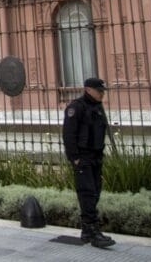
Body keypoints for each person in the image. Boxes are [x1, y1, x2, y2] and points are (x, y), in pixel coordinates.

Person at [62, 77, 115, 248]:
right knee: (87, 193)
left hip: (96, 156)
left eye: (103, 91)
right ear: (88, 89)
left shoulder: (97, 107)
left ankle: (87, 231)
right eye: (99, 91)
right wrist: (75, 158)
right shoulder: (75, 108)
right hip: (83, 158)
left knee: (95, 192)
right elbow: (69, 135)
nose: (102, 94)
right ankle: (92, 231)